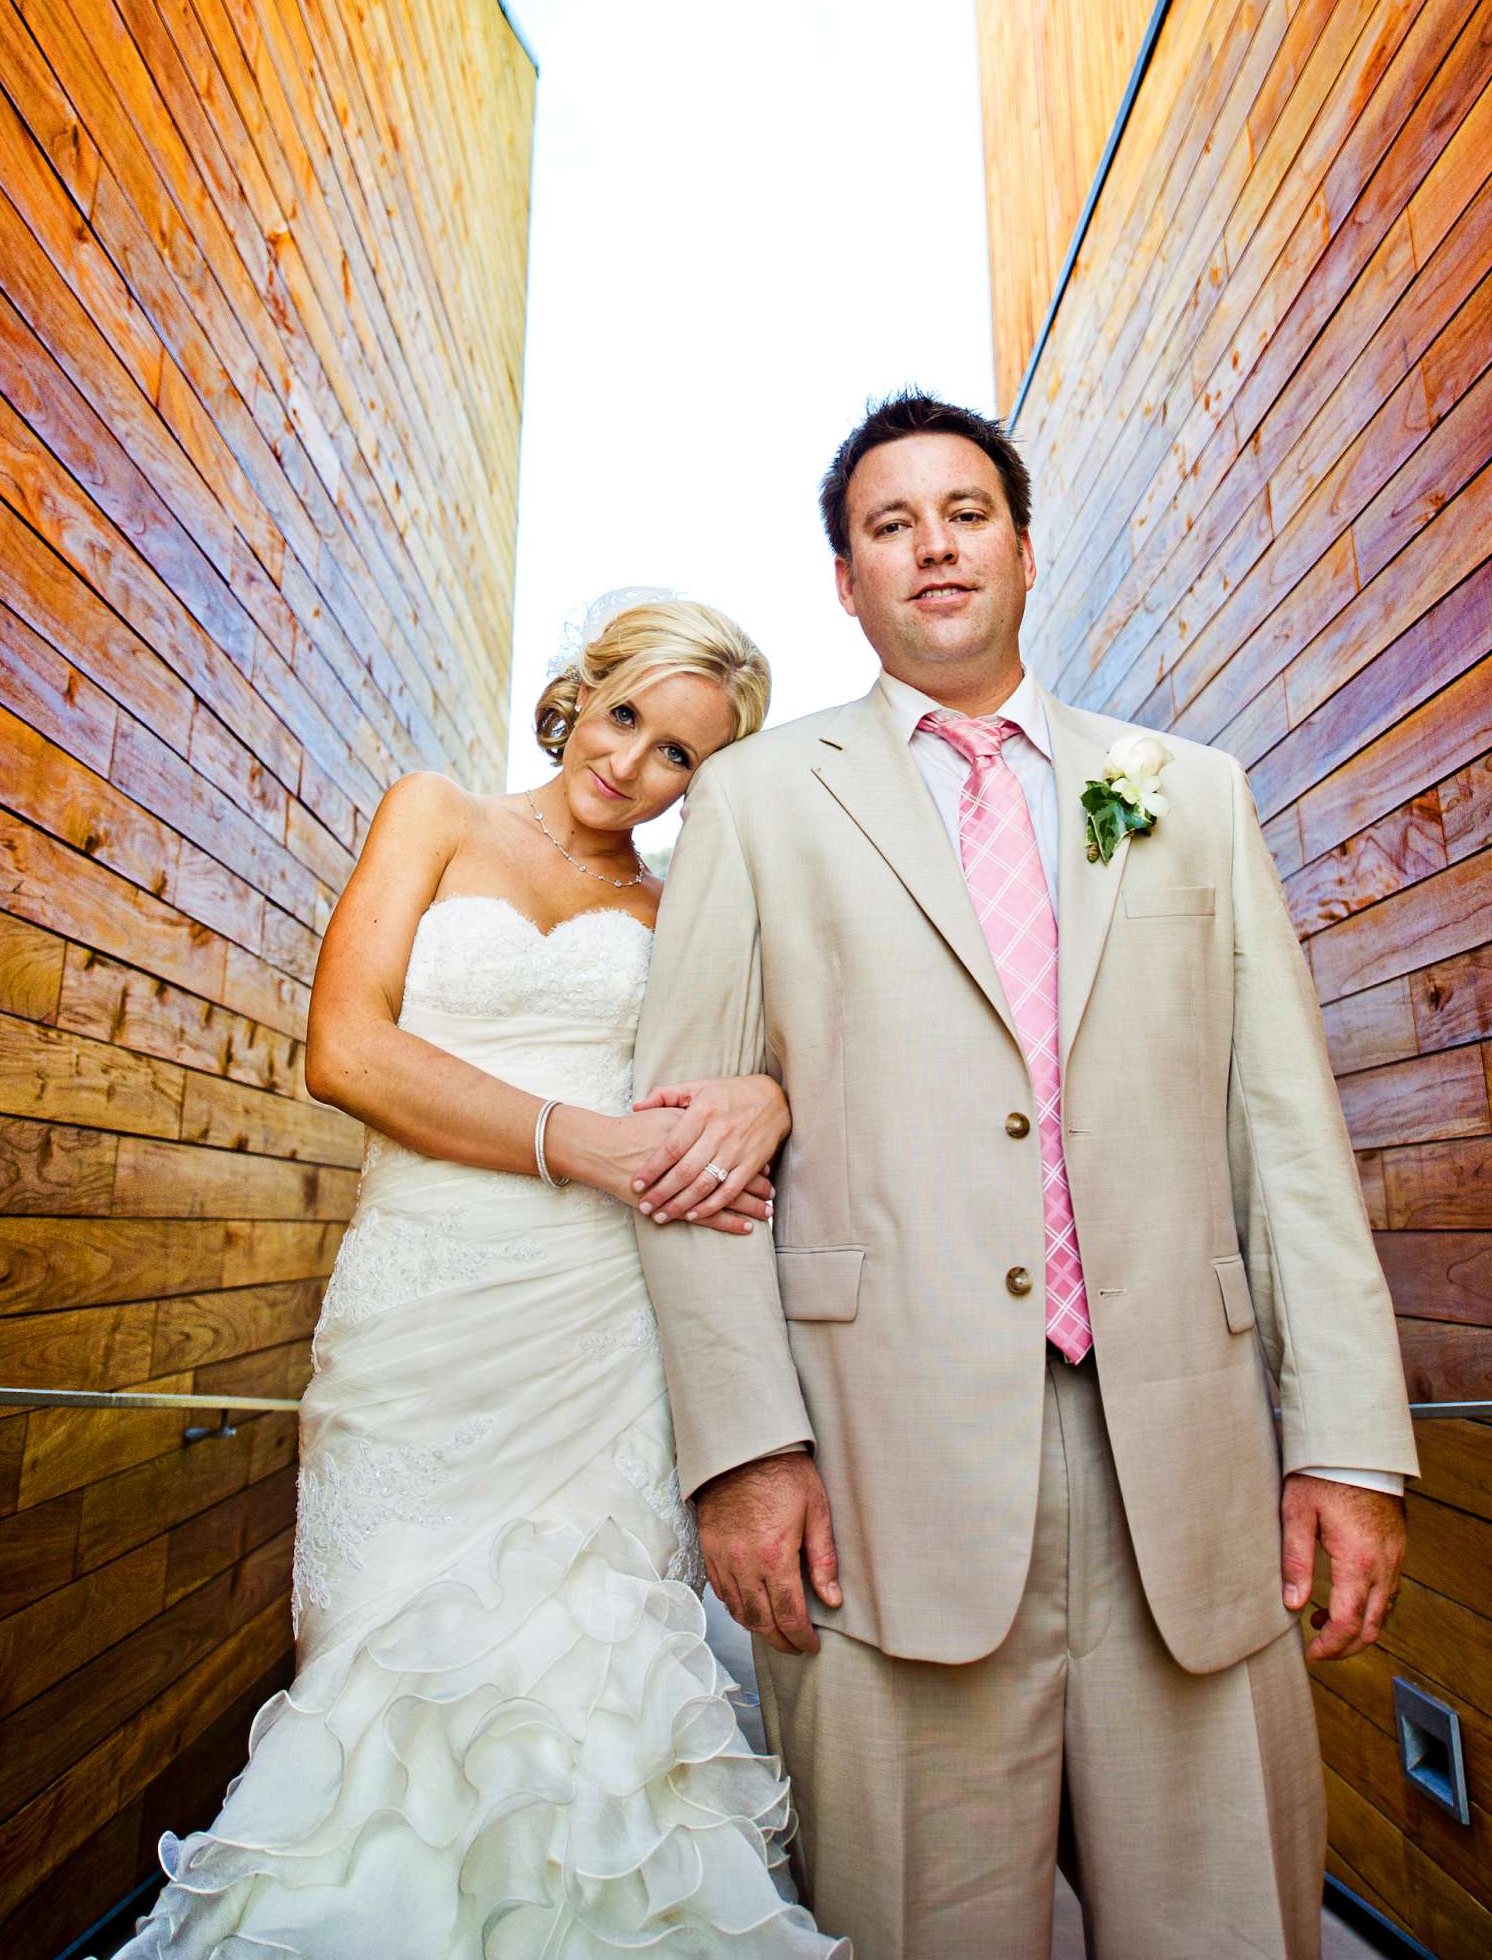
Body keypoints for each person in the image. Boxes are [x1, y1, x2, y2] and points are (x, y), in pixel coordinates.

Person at [634, 392, 1418, 1960]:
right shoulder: (757, 802)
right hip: (874, 1483)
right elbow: (688, 1154)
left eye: (966, 512)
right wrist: (740, 1452)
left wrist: (1348, 1444)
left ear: (1026, 548)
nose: (934, 545)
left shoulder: (1190, 793)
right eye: (889, 524)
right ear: (845, 581)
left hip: (1193, 1478)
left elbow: (1286, 1137)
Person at [110, 597, 846, 1959]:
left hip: (597, 1333)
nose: (632, 765)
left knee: (597, 1674)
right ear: (586, 689)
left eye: (680, 755)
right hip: (425, 1307)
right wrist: (585, 1147)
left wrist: (764, 1094)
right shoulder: (435, 816)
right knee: (389, 1665)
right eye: (627, 716)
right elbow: (346, 1053)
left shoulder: (680, 910)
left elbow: (787, 1056)